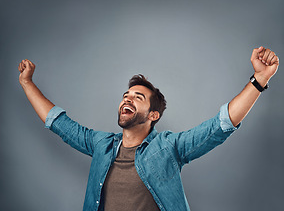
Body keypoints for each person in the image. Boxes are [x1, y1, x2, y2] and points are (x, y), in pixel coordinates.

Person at [18, 47, 279, 211]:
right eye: (126, 95)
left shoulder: (169, 148)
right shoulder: (101, 145)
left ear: (153, 115)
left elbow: (220, 125)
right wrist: (27, 83)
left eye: (137, 97)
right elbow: (59, 123)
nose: (127, 99)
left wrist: (260, 80)